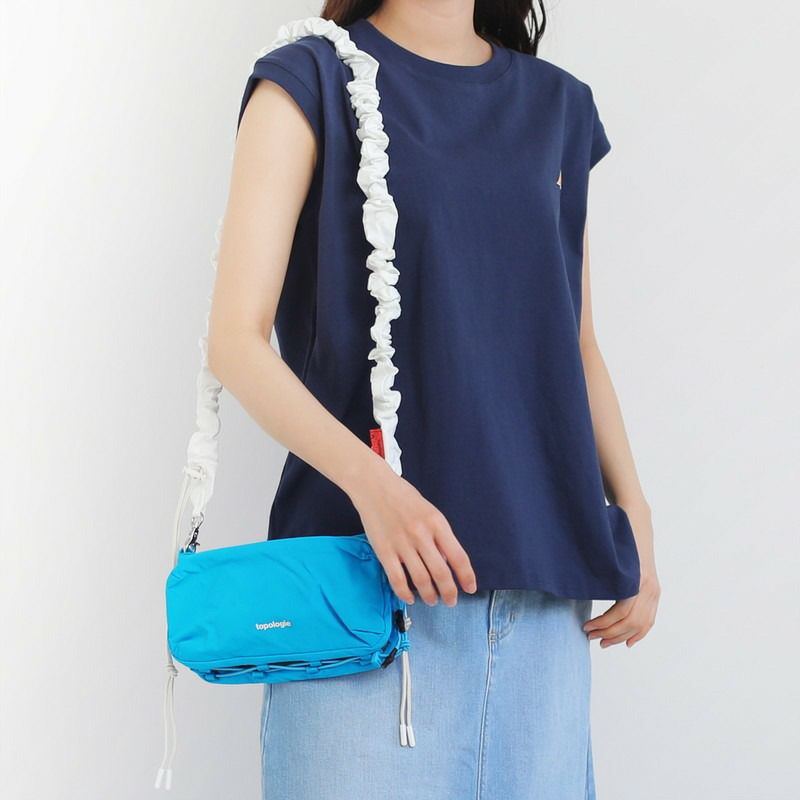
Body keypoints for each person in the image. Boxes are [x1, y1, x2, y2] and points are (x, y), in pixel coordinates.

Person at [209, 1, 661, 798]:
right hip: (364, 605)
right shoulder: (307, 80)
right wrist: (376, 489)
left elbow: (577, 343)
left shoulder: (557, 106)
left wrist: (636, 513)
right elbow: (234, 343)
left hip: (542, 613)